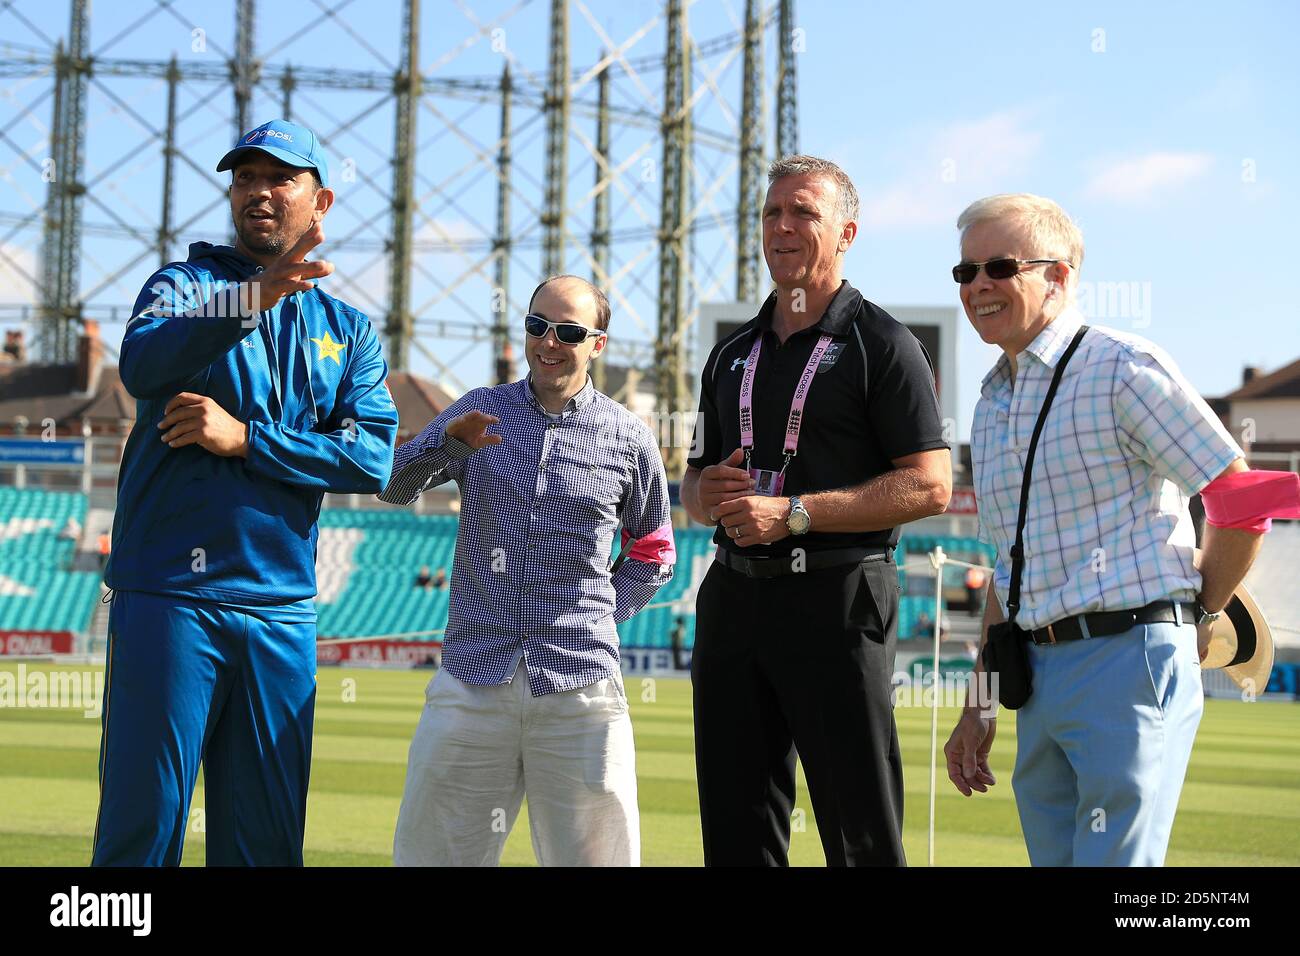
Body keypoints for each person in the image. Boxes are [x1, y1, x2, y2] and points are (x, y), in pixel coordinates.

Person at [92, 119, 398, 866]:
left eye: (279, 178)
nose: (257, 191)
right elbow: (141, 366)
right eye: (244, 178)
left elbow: (372, 459)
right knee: (143, 828)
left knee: (264, 845)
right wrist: (249, 299)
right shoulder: (183, 285)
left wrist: (247, 439)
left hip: (280, 612)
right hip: (170, 596)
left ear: (319, 201)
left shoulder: (349, 330)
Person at [942, 193, 1262, 866]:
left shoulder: (1122, 365)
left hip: (1128, 654)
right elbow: (1008, 565)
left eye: (998, 266)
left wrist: (1200, 610)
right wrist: (980, 700)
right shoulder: (991, 399)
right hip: (1034, 668)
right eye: (964, 273)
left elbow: (1239, 494)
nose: (978, 286)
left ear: (1058, 277)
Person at [682, 155, 952, 867]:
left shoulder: (886, 345)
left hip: (838, 596)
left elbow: (929, 485)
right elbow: (691, 483)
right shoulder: (729, 353)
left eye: (803, 212)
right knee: (737, 831)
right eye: (772, 213)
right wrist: (703, 495)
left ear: (847, 231)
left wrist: (792, 513)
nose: (782, 227)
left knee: (858, 831)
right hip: (733, 595)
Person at [382, 274, 675, 867]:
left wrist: (599, 620)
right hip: (472, 673)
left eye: (568, 331)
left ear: (598, 342)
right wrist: (449, 448)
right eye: (537, 325)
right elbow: (392, 485)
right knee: (434, 858)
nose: (548, 341)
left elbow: (653, 552)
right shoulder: (478, 409)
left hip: (580, 685)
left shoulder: (629, 437)